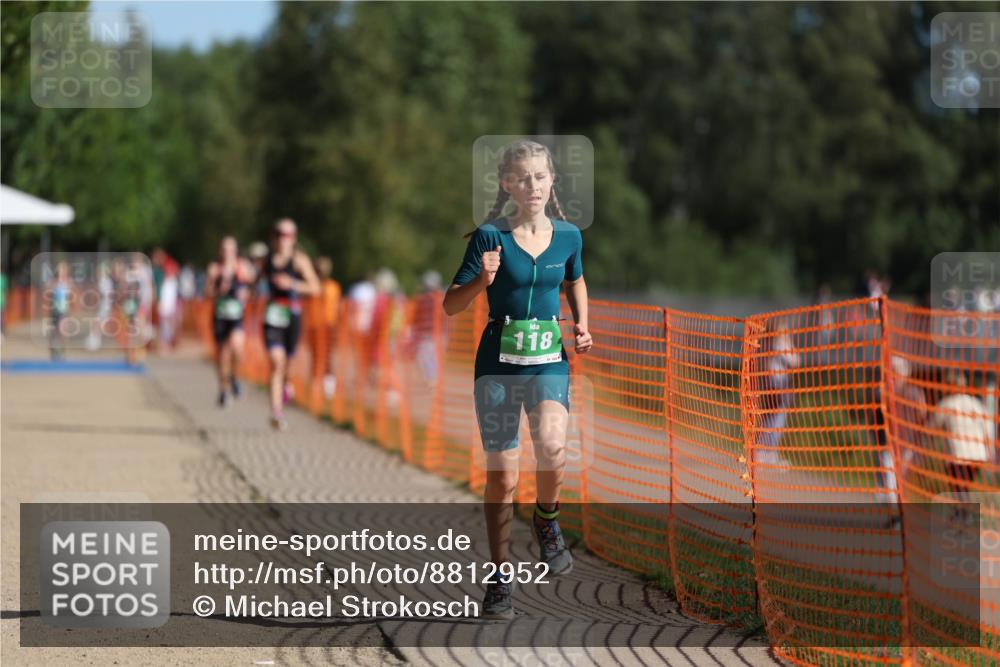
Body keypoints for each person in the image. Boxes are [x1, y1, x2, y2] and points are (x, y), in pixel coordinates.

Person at [442, 139, 592, 620]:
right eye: (522, 178)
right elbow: (450, 305)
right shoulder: (490, 237)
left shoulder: (569, 235)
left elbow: (575, 279)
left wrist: (582, 323)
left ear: (551, 183)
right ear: (507, 184)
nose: (532, 186)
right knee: (503, 477)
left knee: (552, 447)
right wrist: (481, 282)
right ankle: (500, 578)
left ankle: (547, 519)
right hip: (499, 367)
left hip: (549, 359)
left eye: (540, 177)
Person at [259, 218, 320, 430]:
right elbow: (253, 284)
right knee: (276, 362)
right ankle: (276, 412)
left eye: (286, 235)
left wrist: (292, 283)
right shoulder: (266, 261)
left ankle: (287, 384)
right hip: (272, 315)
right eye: (278, 234)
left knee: (288, 365)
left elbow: (315, 288)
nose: (282, 239)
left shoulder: (299, 261)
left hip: (293, 316)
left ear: (293, 239)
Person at [206, 237, 256, 408]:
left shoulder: (242, 267)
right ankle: (223, 389)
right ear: (220, 251)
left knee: (237, 349)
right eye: (224, 249)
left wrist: (247, 294)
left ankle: (234, 377)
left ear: (236, 251)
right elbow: (207, 292)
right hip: (220, 316)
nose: (228, 253)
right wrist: (218, 291)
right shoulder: (214, 269)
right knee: (222, 356)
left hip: (236, 316)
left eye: (231, 249)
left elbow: (253, 286)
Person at [754, 319, 800, 466]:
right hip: (774, 383)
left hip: (781, 383)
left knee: (777, 419)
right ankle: (762, 451)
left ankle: (769, 453)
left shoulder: (783, 344)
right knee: (771, 417)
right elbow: (792, 360)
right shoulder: (774, 343)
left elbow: (797, 360)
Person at [313, 256, 342, 399]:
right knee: (316, 354)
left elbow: (336, 308)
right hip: (314, 325)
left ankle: (328, 383)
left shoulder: (333, 287)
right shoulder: (313, 285)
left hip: (328, 325)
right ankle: (316, 382)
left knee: (327, 356)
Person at [46, 260, 74, 360]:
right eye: (60, 269)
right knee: (53, 333)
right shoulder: (53, 282)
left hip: (64, 311)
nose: (61, 271)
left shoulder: (69, 282)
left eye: (63, 269)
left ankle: (63, 352)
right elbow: (48, 294)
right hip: (54, 310)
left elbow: (72, 297)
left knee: (63, 332)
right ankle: (53, 352)